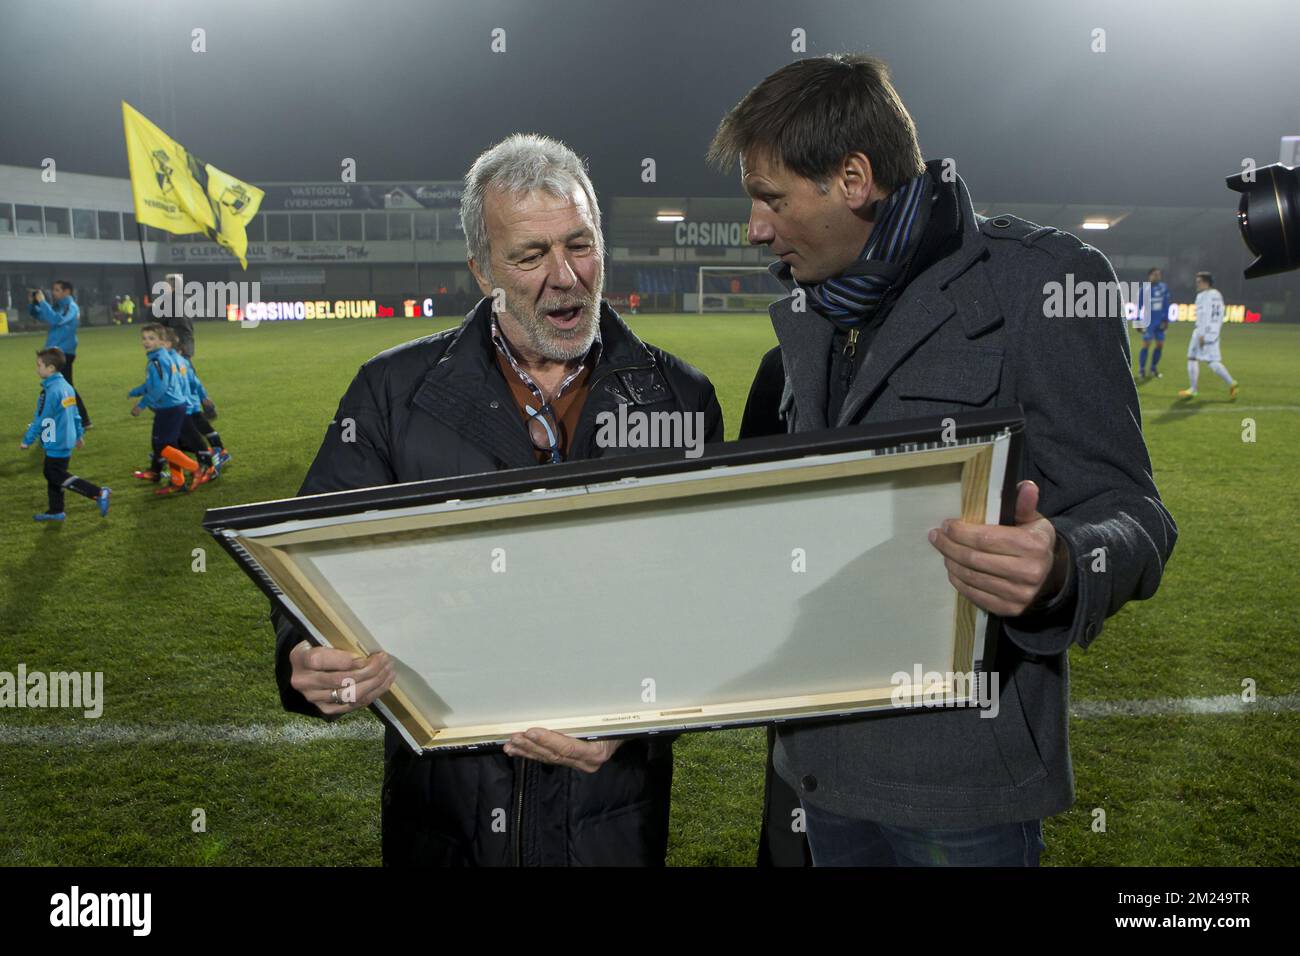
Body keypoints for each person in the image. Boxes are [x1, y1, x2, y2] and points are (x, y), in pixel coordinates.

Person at [709, 54, 1177, 866]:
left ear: (853, 179)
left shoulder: (1041, 283)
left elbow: (1135, 514)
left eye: (771, 198)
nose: (755, 227)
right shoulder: (812, 304)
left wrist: (1063, 563)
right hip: (819, 768)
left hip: (960, 785)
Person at [271, 133, 724, 866]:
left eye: (580, 245)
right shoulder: (392, 392)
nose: (565, 276)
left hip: (610, 818)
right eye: (530, 255)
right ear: (482, 268)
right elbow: (315, 550)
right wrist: (303, 648)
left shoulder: (682, 398)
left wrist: (643, 719)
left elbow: (706, 594)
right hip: (447, 810)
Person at [20, 348, 110, 522]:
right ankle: (56, 511)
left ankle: (98, 493)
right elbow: (76, 414)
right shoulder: (67, 387)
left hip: (56, 440)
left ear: (51, 368)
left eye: (39, 365)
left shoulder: (51, 391)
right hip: (66, 437)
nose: (37, 369)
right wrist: (78, 434)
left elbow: (41, 419)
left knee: (54, 474)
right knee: (55, 474)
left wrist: (27, 439)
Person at [128, 324, 215, 495]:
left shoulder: (159, 360)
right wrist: (137, 391)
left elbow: (161, 386)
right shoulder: (160, 358)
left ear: (162, 341)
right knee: (170, 445)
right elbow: (155, 383)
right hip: (172, 406)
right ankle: (178, 481)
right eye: (144, 338)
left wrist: (142, 404)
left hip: (170, 407)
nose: (146, 342)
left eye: (151, 338)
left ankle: (196, 468)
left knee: (163, 447)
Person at [29, 281, 91, 427]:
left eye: (57, 290)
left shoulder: (70, 307)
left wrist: (43, 302)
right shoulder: (60, 306)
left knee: (60, 387)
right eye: (53, 290)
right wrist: (33, 304)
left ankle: (81, 419)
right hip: (55, 352)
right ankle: (80, 420)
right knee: (59, 387)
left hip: (63, 353)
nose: (54, 293)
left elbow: (56, 320)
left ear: (67, 291)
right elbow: (40, 315)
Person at [1179, 271, 1237, 399]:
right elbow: (1222, 314)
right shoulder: (1217, 294)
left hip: (1202, 332)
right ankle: (1231, 383)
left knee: (1202, 360)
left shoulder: (1203, 296)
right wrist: (1215, 330)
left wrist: (1201, 334)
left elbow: (1203, 315)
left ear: (1206, 282)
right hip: (1214, 332)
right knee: (1201, 358)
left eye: (1199, 282)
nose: (1197, 284)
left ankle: (1196, 389)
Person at [1136, 267, 1170, 379]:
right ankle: (1141, 370)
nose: (1157, 277)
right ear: (1149, 276)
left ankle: (1153, 368)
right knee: (1146, 344)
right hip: (1148, 321)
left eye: (1158, 275)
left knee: (1160, 345)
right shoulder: (1144, 289)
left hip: (1160, 321)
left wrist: (1166, 320)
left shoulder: (1163, 288)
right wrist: (1137, 321)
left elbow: (1166, 304)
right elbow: (1139, 306)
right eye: (1155, 274)